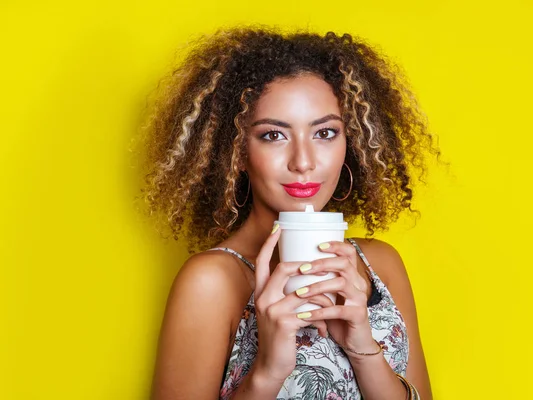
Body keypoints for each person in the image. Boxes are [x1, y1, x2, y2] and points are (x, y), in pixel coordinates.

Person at [140, 27, 438, 400]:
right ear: (237, 154)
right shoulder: (212, 283)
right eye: (273, 135)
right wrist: (267, 371)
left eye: (325, 133)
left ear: (352, 142)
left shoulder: (379, 265)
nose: (304, 162)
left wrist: (363, 349)